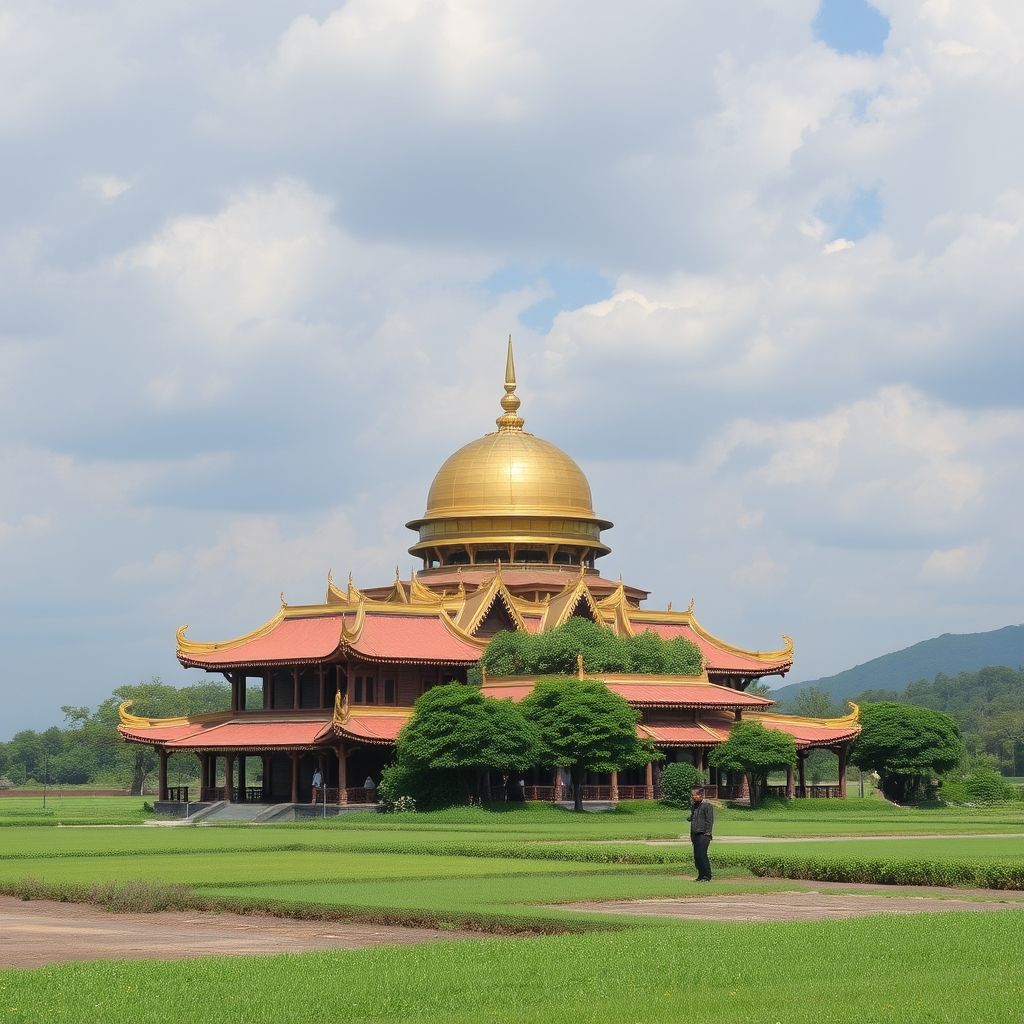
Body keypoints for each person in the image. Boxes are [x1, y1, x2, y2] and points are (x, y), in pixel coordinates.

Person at [687, 786, 714, 881]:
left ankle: (707, 876)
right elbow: (693, 818)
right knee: (696, 856)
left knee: (702, 855)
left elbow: (709, 820)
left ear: (700, 795)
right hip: (695, 834)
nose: (693, 797)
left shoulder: (707, 806)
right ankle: (701, 875)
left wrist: (708, 833)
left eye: (694, 795)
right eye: (692, 795)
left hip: (704, 835)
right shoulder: (694, 806)